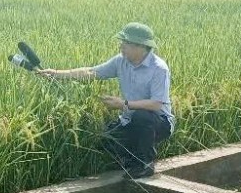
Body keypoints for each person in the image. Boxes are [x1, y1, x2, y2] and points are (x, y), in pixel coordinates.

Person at [37, 23, 174, 179]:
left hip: (158, 123)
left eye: (125, 43)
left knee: (142, 116)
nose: (121, 46)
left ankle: (145, 164)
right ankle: (131, 160)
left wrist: (123, 104)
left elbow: (156, 104)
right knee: (105, 140)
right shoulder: (121, 61)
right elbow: (91, 72)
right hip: (129, 119)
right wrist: (56, 74)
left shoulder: (159, 68)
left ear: (140, 46)